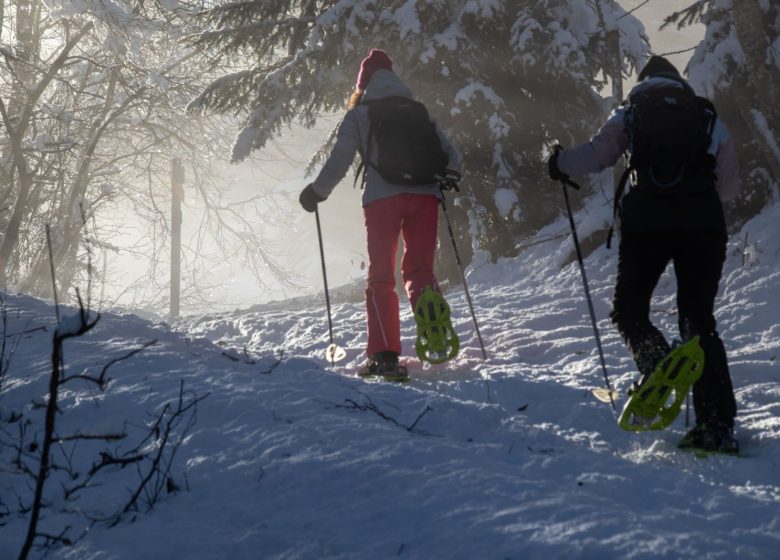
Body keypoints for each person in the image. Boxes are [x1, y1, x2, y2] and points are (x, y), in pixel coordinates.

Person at [547, 55, 741, 452]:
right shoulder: (705, 115)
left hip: (647, 222)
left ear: (644, 81)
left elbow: (598, 155)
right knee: (698, 321)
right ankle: (716, 425)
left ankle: (655, 365)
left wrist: (556, 161)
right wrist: (698, 201)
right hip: (704, 225)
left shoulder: (631, 110)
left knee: (630, 310)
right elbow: (730, 182)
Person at [299, 48, 460, 377]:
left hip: (382, 199)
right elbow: (451, 157)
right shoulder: (418, 110)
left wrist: (317, 192)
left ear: (364, 84)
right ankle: (434, 330)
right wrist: (446, 180)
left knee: (381, 276)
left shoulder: (361, 114)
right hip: (426, 198)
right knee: (419, 270)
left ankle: (384, 356)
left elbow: (340, 162)